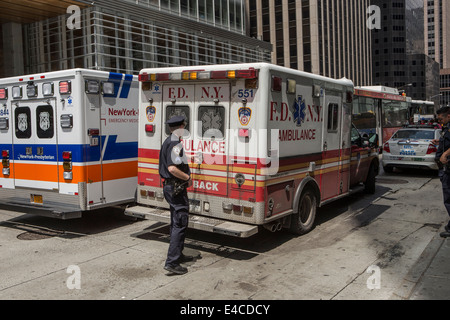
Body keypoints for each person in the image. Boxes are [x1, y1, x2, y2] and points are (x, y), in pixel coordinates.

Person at [159, 115, 193, 274]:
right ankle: (172, 263)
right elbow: (172, 168)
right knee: (180, 223)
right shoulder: (175, 143)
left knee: (175, 222)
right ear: (181, 127)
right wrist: (187, 177)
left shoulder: (168, 141)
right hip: (175, 188)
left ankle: (178, 255)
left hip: (170, 187)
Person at [435, 107, 450, 238]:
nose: (440, 122)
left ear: (448, 116)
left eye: (441, 119)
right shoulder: (446, 128)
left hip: (448, 170)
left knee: (449, 199)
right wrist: (439, 142)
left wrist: (445, 153)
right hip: (445, 169)